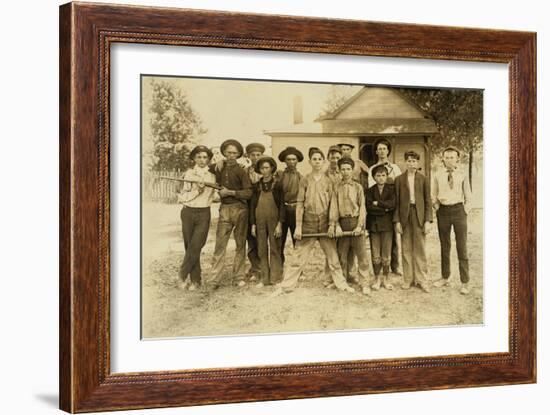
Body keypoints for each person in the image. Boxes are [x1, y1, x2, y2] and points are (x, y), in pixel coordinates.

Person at [272, 148, 355, 295]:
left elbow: (333, 205)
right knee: (298, 257)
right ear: (310, 162)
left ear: (324, 162)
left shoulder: (329, 181)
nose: (317, 162)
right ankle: (286, 286)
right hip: (308, 223)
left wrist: (332, 224)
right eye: (314, 159)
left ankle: (341, 284)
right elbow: (300, 203)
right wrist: (298, 226)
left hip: (324, 223)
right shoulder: (305, 180)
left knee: (333, 257)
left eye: (320, 159)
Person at [208, 139, 252, 288]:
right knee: (220, 246)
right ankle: (214, 279)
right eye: (228, 153)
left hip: (240, 209)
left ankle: (238, 277)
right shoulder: (219, 167)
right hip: (224, 210)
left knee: (240, 245)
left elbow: (248, 192)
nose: (231, 155)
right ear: (224, 153)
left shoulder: (242, 170)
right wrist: (218, 163)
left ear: (239, 154)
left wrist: (230, 192)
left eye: (234, 153)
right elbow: (205, 168)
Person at [432, 146, 472, 295]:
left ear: (457, 159)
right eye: (446, 157)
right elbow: (433, 194)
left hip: (458, 211)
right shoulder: (437, 174)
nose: (449, 160)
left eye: (452, 157)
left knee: (462, 246)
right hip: (443, 211)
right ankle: (445, 277)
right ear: (443, 159)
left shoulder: (462, 174)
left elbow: (468, 195)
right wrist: (437, 207)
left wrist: (465, 211)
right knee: (445, 245)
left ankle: (465, 282)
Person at [177, 145, 216, 291]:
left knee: (196, 245)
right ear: (194, 158)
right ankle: (195, 280)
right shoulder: (189, 174)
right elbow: (183, 197)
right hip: (188, 212)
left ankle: (181, 275)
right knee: (190, 246)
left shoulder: (212, 176)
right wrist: (197, 191)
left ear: (209, 159)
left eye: (205, 157)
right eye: (199, 156)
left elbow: (215, 195)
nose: (202, 160)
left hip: (204, 213)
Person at [393, 150, 433, 293]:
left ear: (418, 162)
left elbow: (428, 200)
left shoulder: (423, 179)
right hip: (405, 216)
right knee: (406, 248)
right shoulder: (399, 180)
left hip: (419, 215)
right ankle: (408, 279)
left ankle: (422, 280)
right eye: (409, 161)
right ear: (405, 162)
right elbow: (396, 203)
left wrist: (428, 220)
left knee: (420, 248)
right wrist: (397, 221)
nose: (411, 163)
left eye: (414, 161)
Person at [333, 157, 372, 295]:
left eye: (348, 169)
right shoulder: (336, 187)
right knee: (342, 255)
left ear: (352, 170)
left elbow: (362, 208)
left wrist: (360, 226)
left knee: (362, 256)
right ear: (339, 170)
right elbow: (334, 208)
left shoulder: (358, 187)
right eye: (342, 169)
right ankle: (343, 281)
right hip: (343, 223)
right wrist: (336, 225)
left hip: (356, 222)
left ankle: (364, 283)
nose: (345, 172)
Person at [368, 138, 403, 276]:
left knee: (393, 237)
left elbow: (399, 187)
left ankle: (395, 266)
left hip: (392, 206)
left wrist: (389, 205)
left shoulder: (395, 168)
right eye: (379, 149)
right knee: (378, 240)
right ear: (376, 151)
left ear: (388, 150)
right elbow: (373, 191)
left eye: (384, 148)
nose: (382, 151)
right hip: (378, 210)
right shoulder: (372, 169)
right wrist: (382, 205)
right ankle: (379, 268)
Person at [250, 156, 284, 287]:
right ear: (259, 170)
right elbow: (252, 206)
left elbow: (281, 206)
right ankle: (264, 279)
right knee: (261, 249)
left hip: (274, 221)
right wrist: (253, 224)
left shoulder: (278, 185)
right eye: (262, 168)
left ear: (272, 168)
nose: (265, 170)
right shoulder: (256, 186)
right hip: (259, 221)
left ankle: (276, 278)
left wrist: (280, 224)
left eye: (267, 167)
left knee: (275, 248)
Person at [366, 164, 396, 291]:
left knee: (386, 254)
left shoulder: (391, 189)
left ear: (387, 176)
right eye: (378, 175)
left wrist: (378, 203)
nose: (381, 178)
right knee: (375, 254)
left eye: (383, 175)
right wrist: (385, 209)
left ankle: (386, 278)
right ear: (374, 177)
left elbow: (393, 204)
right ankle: (377, 278)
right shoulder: (370, 190)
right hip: (374, 226)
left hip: (387, 226)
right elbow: (369, 208)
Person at [276, 146, 304, 264]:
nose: (291, 162)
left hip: (295, 210)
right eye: (289, 159)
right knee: (279, 240)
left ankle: (298, 269)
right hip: (281, 210)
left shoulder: (301, 177)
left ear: (297, 161)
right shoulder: (279, 175)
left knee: (296, 241)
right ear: (284, 161)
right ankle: (279, 267)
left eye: (294, 159)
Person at [243, 142, 265, 281]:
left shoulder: (266, 169)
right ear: (249, 156)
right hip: (248, 206)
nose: (256, 157)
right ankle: (255, 268)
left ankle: (265, 267)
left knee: (262, 238)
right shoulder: (245, 171)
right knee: (251, 238)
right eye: (253, 155)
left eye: (258, 155)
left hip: (263, 207)